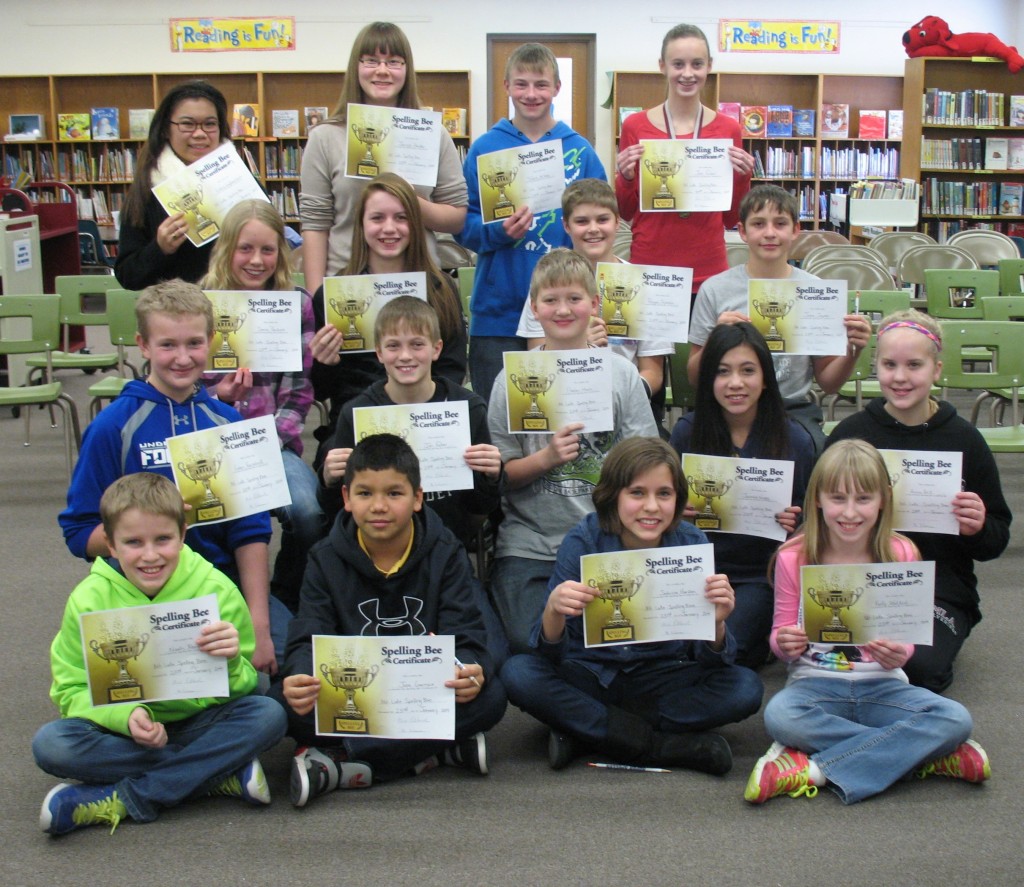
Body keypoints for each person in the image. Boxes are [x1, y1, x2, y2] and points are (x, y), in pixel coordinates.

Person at [34, 474, 286, 835]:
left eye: (163, 539)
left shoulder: (215, 588)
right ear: (110, 544)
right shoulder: (87, 600)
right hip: (127, 734)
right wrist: (125, 716)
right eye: (133, 542)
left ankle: (127, 797)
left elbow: (246, 683)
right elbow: (70, 690)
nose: (150, 555)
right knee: (51, 744)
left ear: (183, 535)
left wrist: (230, 660)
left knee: (268, 713)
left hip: (200, 721)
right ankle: (213, 773)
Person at [745, 439, 989, 805]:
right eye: (838, 498)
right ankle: (922, 752)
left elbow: (906, 641)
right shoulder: (793, 556)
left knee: (955, 718)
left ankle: (814, 770)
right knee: (780, 715)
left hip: (883, 686)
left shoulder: (901, 553)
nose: (849, 512)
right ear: (817, 500)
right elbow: (779, 639)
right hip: (815, 687)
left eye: (863, 499)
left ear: (882, 501)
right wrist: (786, 642)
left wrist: (898, 653)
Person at [501, 437, 763, 773]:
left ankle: (590, 733)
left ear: (679, 498)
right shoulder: (583, 540)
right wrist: (553, 610)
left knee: (745, 688)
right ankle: (661, 746)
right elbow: (548, 652)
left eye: (664, 494)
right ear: (613, 496)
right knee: (519, 674)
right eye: (637, 493)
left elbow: (713, 660)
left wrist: (717, 623)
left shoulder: (690, 542)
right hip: (593, 673)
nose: (651, 507)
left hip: (664, 676)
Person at [59, 281, 278, 675]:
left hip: (219, 588)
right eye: (167, 345)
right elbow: (79, 532)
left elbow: (252, 531)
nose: (182, 357)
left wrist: (259, 627)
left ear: (212, 340)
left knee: (275, 689)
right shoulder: (113, 427)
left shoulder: (229, 422)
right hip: (137, 593)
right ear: (143, 345)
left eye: (194, 343)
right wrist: (148, 532)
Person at [277, 434, 508, 807]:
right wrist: (300, 674)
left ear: (418, 498)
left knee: (492, 696)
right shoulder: (324, 556)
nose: (379, 506)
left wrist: (469, 667)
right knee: (283, 704)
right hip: (357, 697)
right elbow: (308, 631)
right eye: (365, 494)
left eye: (394, 494)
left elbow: (465, 629)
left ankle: (345, 762)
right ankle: (432, 754)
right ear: (347, 499)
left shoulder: (445, 550)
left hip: (420, 694)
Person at [826, 310, 1011, 692]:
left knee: (918, 669)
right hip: (859, 578)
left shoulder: (964, 439)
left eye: (914, 365)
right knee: (832, 666)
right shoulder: (851, 433)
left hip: (937, 588)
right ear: (875, 365)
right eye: (889, 364)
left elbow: (996, 539)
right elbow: (816, 514)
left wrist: (976, 526)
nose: (900, 376)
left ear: (936, 369)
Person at [487, 249, 658, 653]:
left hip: (610, 536)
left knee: (620, 636)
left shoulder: (621, 375)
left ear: (595, 304)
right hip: (533, 542)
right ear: (534, 309)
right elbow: (500, 476)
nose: (563, 310)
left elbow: (647, 462)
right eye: (550, 300)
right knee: (528, 639)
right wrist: (546, 458)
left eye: (574, 299)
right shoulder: (510, 379)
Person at [456, 42, 607, 402]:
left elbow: (601, 222)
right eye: (521, 84)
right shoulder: (484, 148)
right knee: (501, 419)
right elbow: (462, 225)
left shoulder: (580, 150)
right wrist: (498, 231)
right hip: (499, 314)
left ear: (557, 88)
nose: (531, 94)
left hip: (564, 312)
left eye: (541, 84)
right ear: (506, 87)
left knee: (568, 413)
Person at [201, 199, 324, 614]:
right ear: (227, 249)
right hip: (210, 444)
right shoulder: (203, 305)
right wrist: (221, 397)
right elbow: (185, 387)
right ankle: (224, 593)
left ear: (280, 254)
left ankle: (284, 594)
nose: (256, 260)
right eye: (245, 249)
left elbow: (299, 391)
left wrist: (269, 438)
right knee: (207, 516)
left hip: (274, 441)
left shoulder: (296, 303)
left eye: (267, 250)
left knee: (308, 512)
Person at [670, 322, 815, 668]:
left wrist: (794, 527)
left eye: (748, 371)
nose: (735, 383)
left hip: (757, 574)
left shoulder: (795, 440)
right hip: (696, 569)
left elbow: (814, 528)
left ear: (766, 378)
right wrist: (675, 512)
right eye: (722, 372)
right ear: (708, 381)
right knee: (673, 645)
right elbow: (658, 516)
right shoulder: (686, 433)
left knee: (727, 647)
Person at [687, 184, 871, 451]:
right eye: (759, 224)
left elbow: (829, 384)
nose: (769, 233)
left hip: (791, 408)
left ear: (795, 230)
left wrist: (852, 350)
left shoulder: (816, 291)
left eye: (780, 223)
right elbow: (694, 378)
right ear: (742, 231)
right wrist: (715, 340)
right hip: (727, 407)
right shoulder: (715, 289)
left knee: (811, 453)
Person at [299, 21, 467, 296]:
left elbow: (456, 217)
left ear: (406, 70)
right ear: (356, 67)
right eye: (371, 61)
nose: (382, 70)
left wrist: (408, 199)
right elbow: (316, 224)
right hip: (348, 286)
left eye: (393, 62)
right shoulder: (325, 137)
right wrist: (318, 298)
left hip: (418, 285)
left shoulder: (432, 134)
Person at [319, 296, 501, 547]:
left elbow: (481, 506)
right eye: (393, 346)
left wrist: (491, 477)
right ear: (379, 352)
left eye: (417, 344)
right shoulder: (357, 413)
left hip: (446, 547)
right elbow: (339, 511)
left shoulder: (468, 408)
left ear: (436, 349)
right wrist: (328, 481)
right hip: (375, 549)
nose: (405, 356)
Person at [309, 172, 467, 456]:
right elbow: (320, 392)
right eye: (377, 218)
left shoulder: (441, 290)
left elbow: (452, 371)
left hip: (427, 419)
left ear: (415, 224)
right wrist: (323, 362)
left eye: (401, 218)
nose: (389, 228)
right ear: (361, 224)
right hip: (355, 421)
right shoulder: (334, 296)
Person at [615, 24, 753, 296]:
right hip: (651, 268)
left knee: (704, 342)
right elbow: (627, 212)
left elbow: (731, 219)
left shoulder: (728, 130)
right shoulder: (635, 126)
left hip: (708, 271)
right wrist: (626, 177)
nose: (687, 73)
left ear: (709, 66)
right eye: (678, 64)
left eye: (697, 64)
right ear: (662, 66)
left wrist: (743, 177)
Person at [516, 178, 673, 417]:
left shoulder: (643, 286)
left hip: (627, 407)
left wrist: (618, 400)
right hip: (562, 405)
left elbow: (653, 373)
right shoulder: (545, 285)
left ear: (617, 222)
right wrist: (576, 345)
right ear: (566, 226)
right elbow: (536, 357)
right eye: (581, 221)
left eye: (602, 219)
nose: (593, 229)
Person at [116, 81, 232, 290]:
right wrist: (160, 249)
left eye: (209, 124)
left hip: (237, 307)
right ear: (166, 129)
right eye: (188, 124)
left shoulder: (238, 180)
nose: (199, 133)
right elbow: (128, 276)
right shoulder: (147, 190)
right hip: (175, 313)